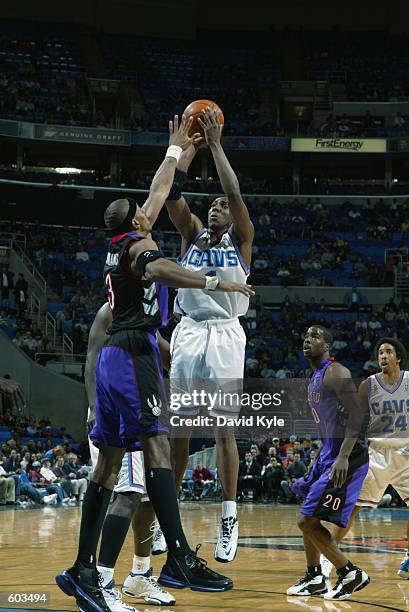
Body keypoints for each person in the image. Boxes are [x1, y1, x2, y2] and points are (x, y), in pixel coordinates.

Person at [56, 115, 251, 612]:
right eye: (142, 214)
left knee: (111, 466)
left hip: (126, 358)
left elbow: (162, 188)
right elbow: (161, 268)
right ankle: (181, 553)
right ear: (133, 228)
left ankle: (85, 570)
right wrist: (215, 283)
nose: (150, 212)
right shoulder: (134, 250)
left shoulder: (130, 233)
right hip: (131, 353)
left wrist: (176, 150)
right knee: (159, 445)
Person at [166, 107, 254, 563]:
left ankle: (228, 516)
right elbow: (172, 194)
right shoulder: (192, 236)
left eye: (221, 205)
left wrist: (216, 145)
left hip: (224, 333)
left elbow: (235, 192)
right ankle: (169, 516)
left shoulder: (241, 238)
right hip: (188, 332)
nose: (217, 205)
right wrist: (181, 147)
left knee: (223, 431)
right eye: (213, 204)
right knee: (177, 431)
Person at [85, 302, 176, 610]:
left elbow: (168, 356)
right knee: (128, 493)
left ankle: (139, 574)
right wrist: (94, 407)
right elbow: (91, 358)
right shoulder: (110, 312)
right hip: (120, 419)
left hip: (145, 416)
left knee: (148, 500)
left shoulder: (147, 316)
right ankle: (103, 581)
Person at [287, 326, 370, 600]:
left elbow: (357, 417)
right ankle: (314, 578)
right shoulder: (314, 376)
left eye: (315, 336)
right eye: (305, 336)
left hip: (348, 456)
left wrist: (343, 456)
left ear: (327, 346)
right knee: (307, 515)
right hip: (329, 455)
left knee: (306, 521)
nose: (307, 339)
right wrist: (321, 459)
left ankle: (349, 573)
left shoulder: (336, 372)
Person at [319, 337, 409, 581]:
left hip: (406, 453)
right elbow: (355, 420)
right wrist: (344, 453)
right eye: (380, 352)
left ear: (398, 357)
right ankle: (329, 555)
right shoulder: (368, 385)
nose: (383, 356)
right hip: (376, 453)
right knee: (353, 507)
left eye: (388, 352)